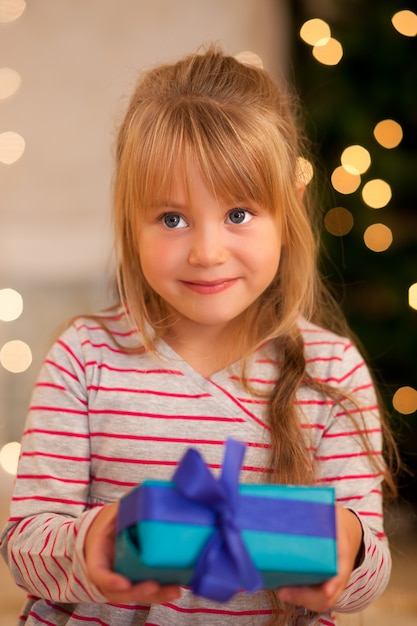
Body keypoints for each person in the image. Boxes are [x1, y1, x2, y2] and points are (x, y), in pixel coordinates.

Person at [0, 46, 396, 626]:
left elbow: (372, 571)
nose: (206, 253)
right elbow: (23, 547)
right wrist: (92, 542)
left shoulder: (331, 372)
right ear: (130, 223)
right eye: (171, 219)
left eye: (239, 214)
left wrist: (344, 547)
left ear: (287, 214)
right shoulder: (83, 359)